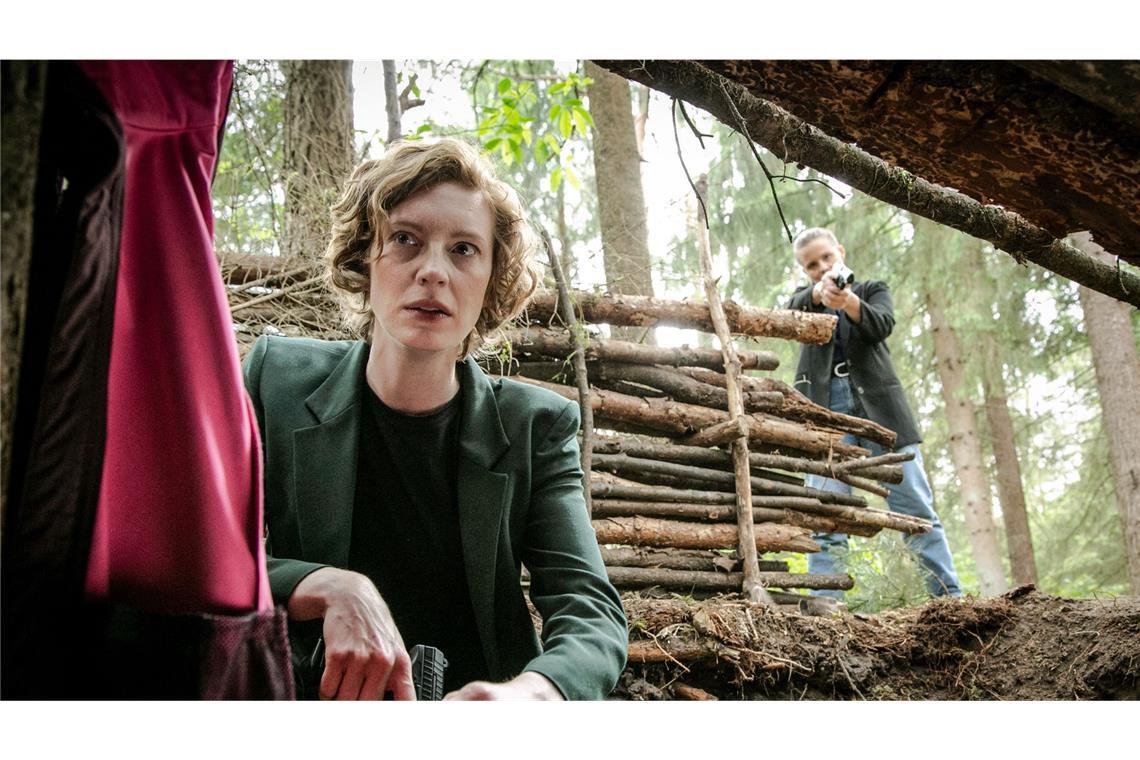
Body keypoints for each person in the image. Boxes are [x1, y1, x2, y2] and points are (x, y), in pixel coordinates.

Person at [242, 139, 628, 700]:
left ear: (491, 281)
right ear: (363, 257)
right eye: (405, 240)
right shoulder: (276, 379)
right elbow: (201, 552)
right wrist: (324, 585)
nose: (432, 272)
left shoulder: (534, 426)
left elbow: (589, 610)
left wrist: (533, 695)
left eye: (464, 250)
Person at [787, 227, 962, 600]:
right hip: (824, 415)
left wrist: (847, 301)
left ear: (840, 252)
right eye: (812, 265)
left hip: (881, 413)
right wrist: (818, 296)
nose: (821, 267)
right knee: (826, 516)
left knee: (916, 511)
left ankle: (949, 599)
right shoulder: (804, 300)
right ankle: (825, 612)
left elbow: (880, 324)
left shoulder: (871, 290)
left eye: (826, 258)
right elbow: (790, 315)